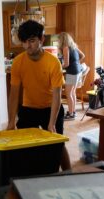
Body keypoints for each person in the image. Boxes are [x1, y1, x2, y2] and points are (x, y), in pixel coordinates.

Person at [7, 20, 71, 170]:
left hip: (51, 108)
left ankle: (69, 173)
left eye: (32, 41)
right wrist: (11, 121)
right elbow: (14, 95)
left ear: (41, 39)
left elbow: (57, 95)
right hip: (29, 109)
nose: (28, 46)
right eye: (24, 42)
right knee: (26, 146)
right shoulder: (17, 62)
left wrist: (52, 123)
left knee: (57, 145)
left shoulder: (53, 62)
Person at [58, 32, 86, 120]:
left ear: (62, 40)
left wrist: (58, 66)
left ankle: (70, 114)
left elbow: (66, 64)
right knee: (72, 93)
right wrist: (76, 62)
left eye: (59, 39)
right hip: (78, 71)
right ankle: (73, 112)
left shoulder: (66, 48)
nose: (58, 41)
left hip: (72, 72)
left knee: (68, 93)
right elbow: (83, 56)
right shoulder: (74, 46)